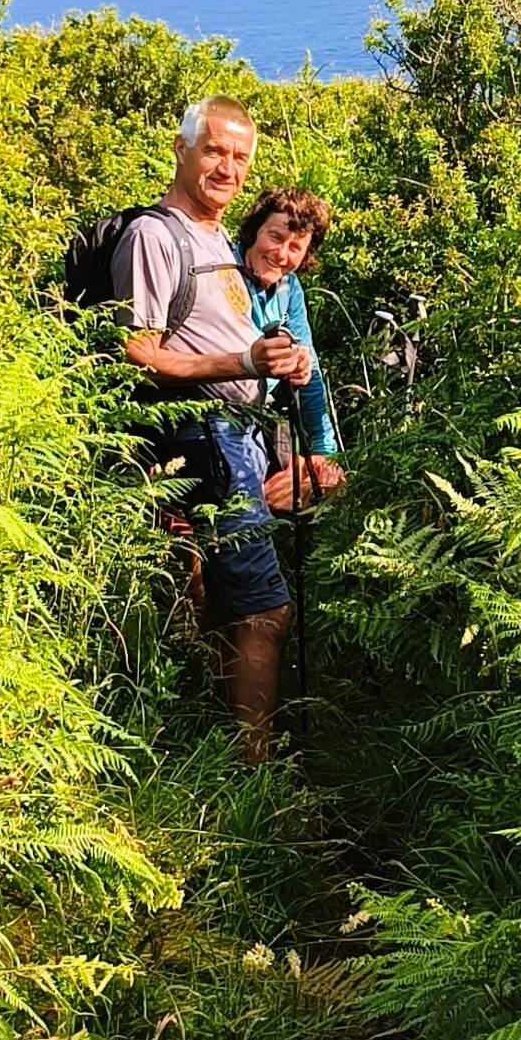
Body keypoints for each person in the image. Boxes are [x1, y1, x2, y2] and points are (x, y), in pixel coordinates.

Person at [111, 95, 311, 765]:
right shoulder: (155, 236)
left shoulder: (218, 239)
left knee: (227, 607)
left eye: (239, 157)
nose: (227, 168)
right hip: (206, 432)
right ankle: (258, 773)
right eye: (214, 151)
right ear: (181, 149)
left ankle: (229, 756)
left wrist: (280, 363)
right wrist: (243, 362)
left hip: (237, 435)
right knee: (265, 609)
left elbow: (224, 329)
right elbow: (138, 351)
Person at [237, 187, 340, 460]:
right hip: (208, 418)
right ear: (255, 230)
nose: (282, 255)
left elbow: (309, 368)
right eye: (275, 237)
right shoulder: (223, 272)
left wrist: (323, 451)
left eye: (295, 248)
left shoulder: (288, 287)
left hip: (258, 420)